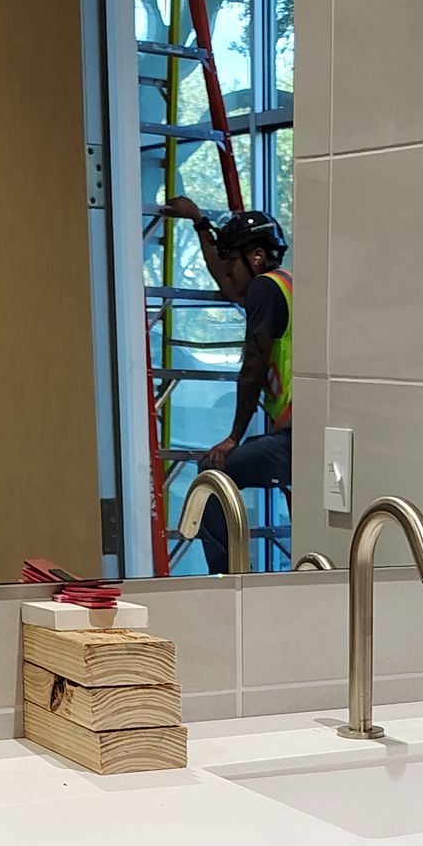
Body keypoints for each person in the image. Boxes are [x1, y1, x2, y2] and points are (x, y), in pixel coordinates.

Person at [161, 200, 291, 572]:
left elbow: (254, 366)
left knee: (213, 476)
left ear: (256, 257)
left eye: (233, 260)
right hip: (302, 433)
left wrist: (234, 436)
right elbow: (227, 280)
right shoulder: (281, 286)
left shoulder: (265, 289)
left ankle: (229, 579)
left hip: (297, 438)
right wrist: (201, 224)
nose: (229, 274)